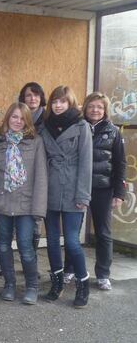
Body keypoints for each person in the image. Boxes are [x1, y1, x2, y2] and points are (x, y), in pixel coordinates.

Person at [40, 86, 92, 308]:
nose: (58, 105)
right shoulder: (44, 128)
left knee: (71, 241)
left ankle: (83, 284)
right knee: (52, 240)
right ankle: (57, 283)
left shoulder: (82, 127)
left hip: (73, 191)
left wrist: (83, 195)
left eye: (62, 101)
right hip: (50, 189)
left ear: (70, 103)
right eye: (54, 102)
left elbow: (86, 163)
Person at [0, 103, 47, 305]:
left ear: (27, 122)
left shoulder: (36, 142)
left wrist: (38, 209)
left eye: (22, 118)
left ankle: (32, 286)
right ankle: (9, 284)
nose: (17, 121)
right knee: (4, 245)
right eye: (14, 117)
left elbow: (41, 177)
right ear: (7, 119)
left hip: (26, 204)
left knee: (25, 245)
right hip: (3, 201)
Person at [82, 92, 126, 291]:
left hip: (103, 188)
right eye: (92, 106)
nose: (95, 110)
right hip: (80, 187)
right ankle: (71, 270)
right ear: (85, 108)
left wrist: (119, 193)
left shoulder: (113, 131)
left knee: (103, 233)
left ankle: (103, 274)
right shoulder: (79, 127)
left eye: (99, 107)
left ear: (105, 110)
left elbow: (120, 163)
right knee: (73, 232)